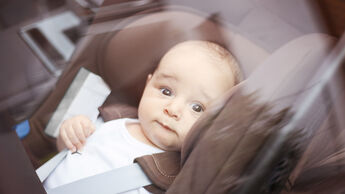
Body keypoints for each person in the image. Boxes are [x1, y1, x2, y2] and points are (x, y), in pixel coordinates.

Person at [43, 40, 242, 192]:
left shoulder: (171, 180)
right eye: (166, 91)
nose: (173, 109)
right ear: (148, 85)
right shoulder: (110, 118)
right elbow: (68, 155)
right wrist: (70, 133)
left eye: (197, 108)